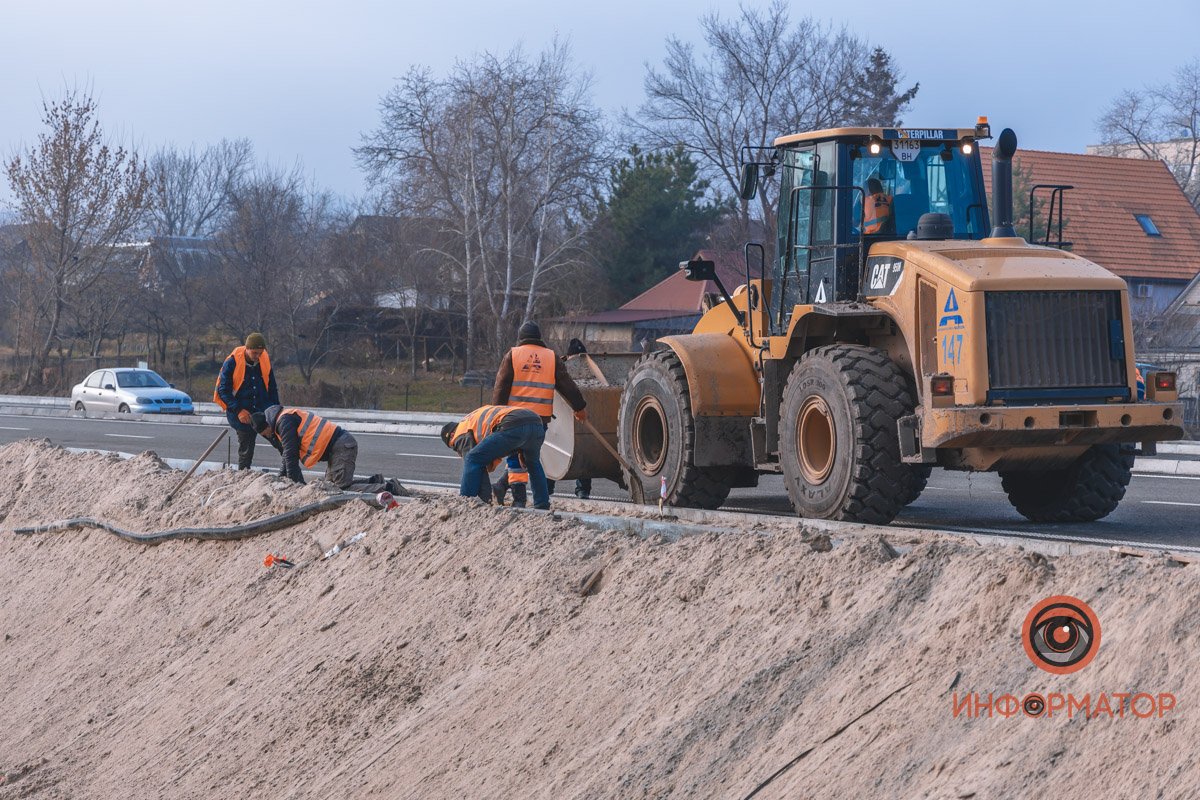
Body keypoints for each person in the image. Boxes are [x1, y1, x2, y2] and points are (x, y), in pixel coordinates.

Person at [490, 321, 587, 506]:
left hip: (513, 419)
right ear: (539, 337)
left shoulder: (513, 355)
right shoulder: (551, 357)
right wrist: (579, 408)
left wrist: (495, 417)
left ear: (521, 338)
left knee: (514, 460)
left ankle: (519, 501)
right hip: (539, 421)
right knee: (533, 459)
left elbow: (500, 388)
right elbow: (568, 386)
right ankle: (542, 503)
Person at [441, 405, 550, 510]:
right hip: (536, 422)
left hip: (513, 425)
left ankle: (466, 501)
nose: (458, 448)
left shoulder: (459, 433)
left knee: (472, 458)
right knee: (533, 464)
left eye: (454, 446)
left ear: (451, 435)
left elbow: (475, 464)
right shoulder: (470, 420)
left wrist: (485, 499)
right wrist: (521, 449)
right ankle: (542, 505)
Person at [214, 333, 282, 470]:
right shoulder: (232, 362)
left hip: (263, 409)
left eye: (260, 353)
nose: (257, 356)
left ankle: (290, 473)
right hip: (242, 412)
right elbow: (223, 391)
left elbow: (272, 388)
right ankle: (243, 475)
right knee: (246, 449)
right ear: (247, 348)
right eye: (255, 353)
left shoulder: (264, 359)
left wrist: (276, 411)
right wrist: (238, 410)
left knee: (281, 442)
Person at [251, 405, 359, 489]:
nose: (267, 436)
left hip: (341, 446)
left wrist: (294, 485)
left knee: (342, 488)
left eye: (265, 434)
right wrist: (280, 477)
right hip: (337, 448)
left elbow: (291, 454)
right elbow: (286, 455)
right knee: (330, 488)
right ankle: (375, 482)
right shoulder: (280, 420)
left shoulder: (284, 422)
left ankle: (376, 491)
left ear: (267, 426)